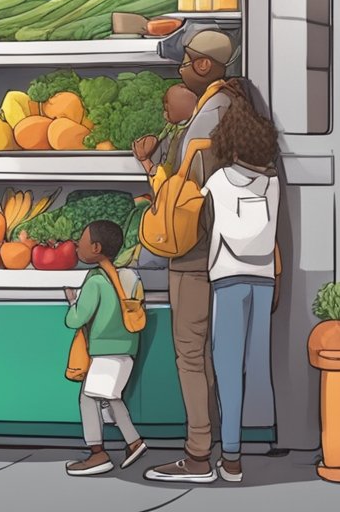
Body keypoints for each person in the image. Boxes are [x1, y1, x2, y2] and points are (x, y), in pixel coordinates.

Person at [136, 29, 241, 485]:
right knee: (212, 353)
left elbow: (185, 200)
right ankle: (220, 447)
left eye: (184, 62)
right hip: (228, 249)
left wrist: (149, 169)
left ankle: (198, 456)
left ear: (201, 66)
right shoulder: (231, 105)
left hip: (194, 253)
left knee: (190, 354)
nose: (178, 70)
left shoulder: (205, 121)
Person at [203, 98, 281, 483]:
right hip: (263, 278)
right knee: (256, 366)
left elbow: (201, 222)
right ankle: (257, 439)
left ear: (229, 143)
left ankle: (231, 457)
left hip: (227, 279)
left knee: (227, 369)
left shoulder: (217, 182)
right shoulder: (273, 183)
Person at [64, 220, 147, 476]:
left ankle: (98, 454)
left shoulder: (96, 280)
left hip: (104, 350)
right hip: (127, 349)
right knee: (109, 398)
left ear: (96, 248)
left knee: (89, 399)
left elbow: (75, 319)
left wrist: (72, 302)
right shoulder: (129, 275)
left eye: (82, 240)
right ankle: (134, 443)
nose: (77, 244)